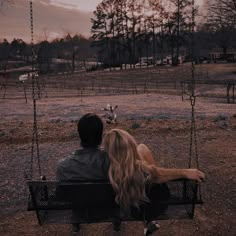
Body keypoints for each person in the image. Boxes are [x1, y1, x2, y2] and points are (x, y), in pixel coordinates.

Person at [103, 128, 205, 235]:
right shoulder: (144, 170)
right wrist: (186, 172)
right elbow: (158, 175)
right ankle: (148, 222)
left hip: (122, 210)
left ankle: (116, 224)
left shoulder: (105, 170)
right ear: (130, 145)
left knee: (141, 149)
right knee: (142, 149)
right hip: (151, 208)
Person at [56, 113, 110, 181]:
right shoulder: (111, 163)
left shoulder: (63, 167)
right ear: (101, 135)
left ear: (79, 134)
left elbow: (60, 190)